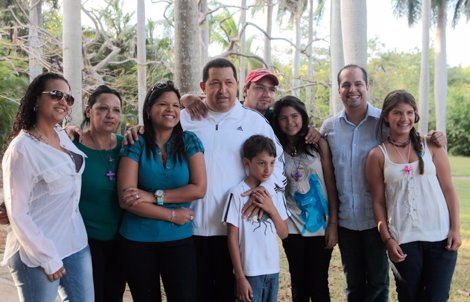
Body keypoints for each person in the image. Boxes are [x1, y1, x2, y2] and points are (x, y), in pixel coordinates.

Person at [320, 64, 446, 301]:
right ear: (339, 90)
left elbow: (410, 136)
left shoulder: (384, 120)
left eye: (358, 83)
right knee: (353, 285)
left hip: (379, 221)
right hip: (347, 221)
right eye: (346, 84)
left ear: (367, 87)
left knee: (379, 284)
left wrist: (436, 137)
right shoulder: (329, 128)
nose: (352, 89)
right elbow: (328, 175)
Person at [179, 58, 286, 302]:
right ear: (203, 86)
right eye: (215, 83)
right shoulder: (185, 119)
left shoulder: (254, 122)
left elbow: (278, 164)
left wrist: (262, 195)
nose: (222, 90)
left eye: (228, 83)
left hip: (237, 233)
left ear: (238, 85)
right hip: (189, 229)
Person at [1, 72, 94, 301]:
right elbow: (18, 212)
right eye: (55, 94)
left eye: (68, 98)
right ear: (35, 99)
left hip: (75, 241)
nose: (63, 101)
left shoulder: (61, 135)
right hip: (37, 252)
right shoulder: (22, 149)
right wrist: (48, 258)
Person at [366, 90, 461, 301]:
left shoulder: (432, 145)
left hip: (440, 237)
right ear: (386, 117)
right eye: (397, 113)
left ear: (415, 116)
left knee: (437, 297)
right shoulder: (377, 155)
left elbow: (448, 189)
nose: (404, 118)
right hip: (404, 240)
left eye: (409, 112)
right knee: (409, 297)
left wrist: (455, 228)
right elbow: (378, 202)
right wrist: (388, 240)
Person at [117, 80, 206, 301]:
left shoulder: (189, 141)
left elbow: (199, 188)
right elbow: (126, 199)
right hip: (138, 240)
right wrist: (172, 214)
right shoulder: (135, 142)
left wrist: (152, 196)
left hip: (179, 240)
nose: (170, 110)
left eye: (176, 106)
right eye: (162, 104)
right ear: (148, 109)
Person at [272, 96, 338, 302]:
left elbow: (330, 185)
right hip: (291, 226)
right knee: (298, 283)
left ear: (303, 117)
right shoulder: (275, 147)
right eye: (283, 118)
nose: (290, 122)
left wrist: (333, 224)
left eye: (294, 116)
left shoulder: (319, 144)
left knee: (318, 283)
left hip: (320, 226)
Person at [74, 85, 126, 302]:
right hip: (84, 240)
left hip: (120, 239)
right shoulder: (73, 146)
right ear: (89, 111)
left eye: (116, 110)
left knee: (114, 296)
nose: (110, 115)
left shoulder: (127, 144)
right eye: (103, 108)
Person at [223, 135, 289, 302]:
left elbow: (284, 233)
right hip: (249, 272)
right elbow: (232, 238)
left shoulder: (274, 194)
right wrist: (240, 277)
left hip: (272, 269)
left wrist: (271, 209)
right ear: (247, 163)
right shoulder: (236, 194)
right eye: (261, 163)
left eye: (272, 163)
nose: (268, 169)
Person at [178, 67, 321, 143]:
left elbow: (294, 127)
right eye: (259, 87)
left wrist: (310, 131)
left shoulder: (276, 119)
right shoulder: (230, 111)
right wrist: (184, 99)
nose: (266, 94)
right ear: (245, 90)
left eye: (271, 89)